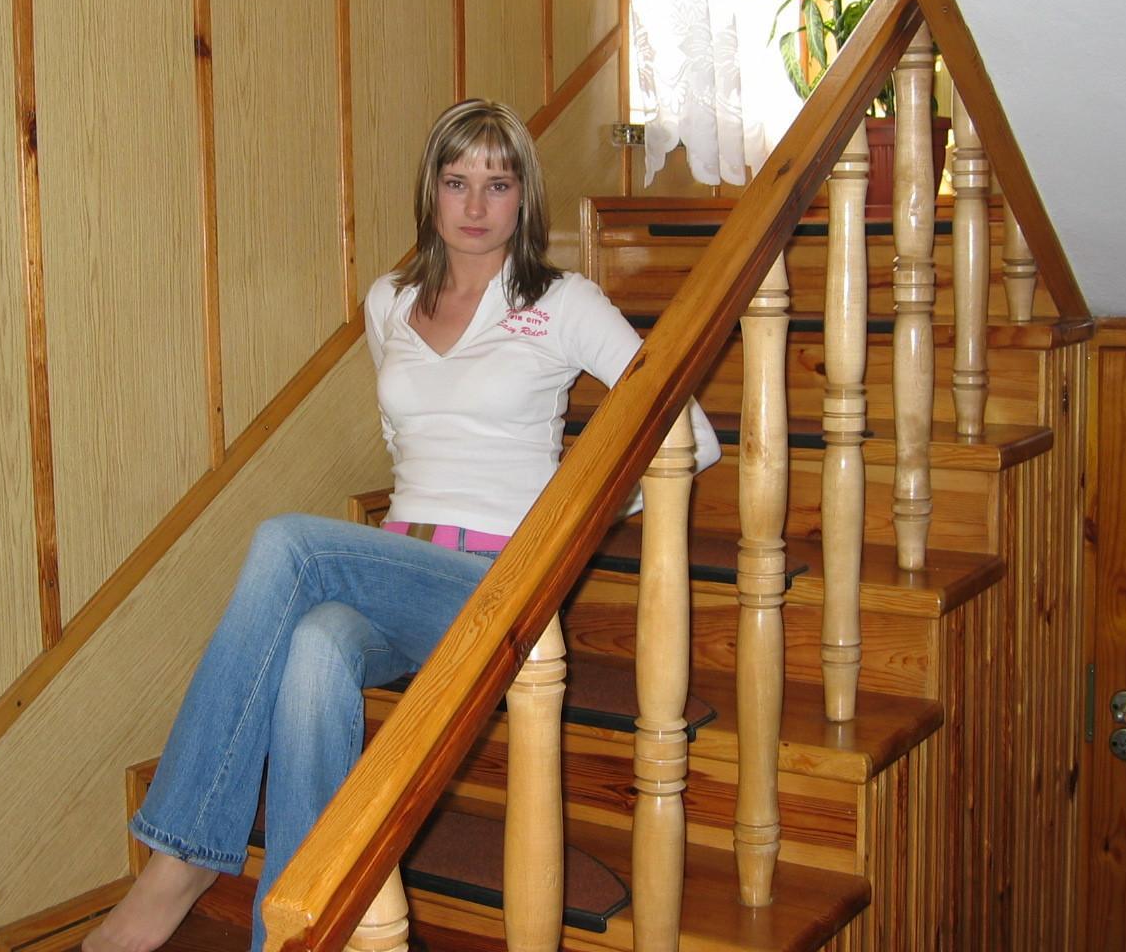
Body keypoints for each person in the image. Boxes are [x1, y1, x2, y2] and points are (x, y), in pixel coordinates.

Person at [84, 99, 719, 952]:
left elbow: (691, 435)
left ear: (524, 197)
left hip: (501, 582)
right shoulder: (389, 301)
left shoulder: (561, 302)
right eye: (457, 182)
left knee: (288, 544)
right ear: (431, 192)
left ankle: (181, 860)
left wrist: (573, 523)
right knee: (315, 649)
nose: (476, 204)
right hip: (399, 568)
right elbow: (403, 439)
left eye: (498, 184)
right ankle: (297, 929)